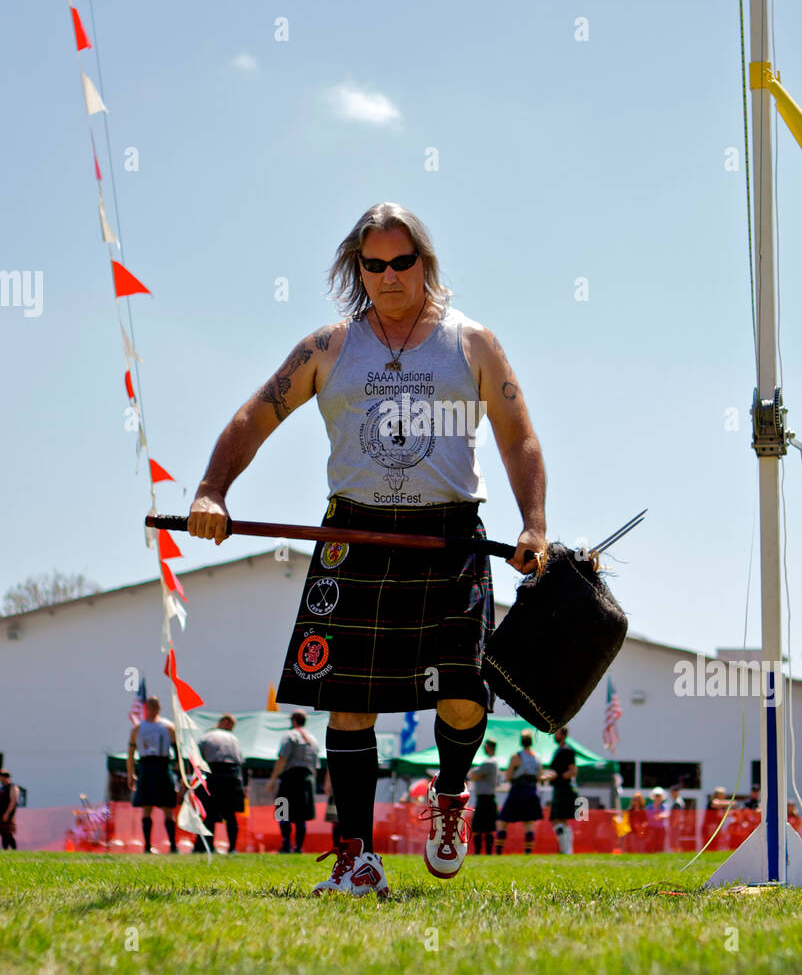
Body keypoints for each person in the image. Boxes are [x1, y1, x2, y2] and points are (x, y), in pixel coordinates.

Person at [187, 204, 546, 897]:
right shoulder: (328, 346)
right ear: (359, 268)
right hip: (353, 534)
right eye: (373, 265)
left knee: (466, 693)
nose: (388, 277)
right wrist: (210, 491)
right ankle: (357, 856)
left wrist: (533, 523)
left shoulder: (472, 343)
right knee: (348, 704)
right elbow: (254, 415)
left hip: (450, 537)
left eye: (401, 262)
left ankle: (448, 796)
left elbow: (518, 436)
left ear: (425, 262)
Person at [127, 697, 178, 853]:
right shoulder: (138, 729)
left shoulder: (168, 727)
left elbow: (177, 752)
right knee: (146, 807)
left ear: (160, 707)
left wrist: (180, 775)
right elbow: (130, 754)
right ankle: (147, 846)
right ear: (146, 707)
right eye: (150, 706)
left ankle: (173, 846)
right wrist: (131, 774)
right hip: (146, 767)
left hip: (163, 766)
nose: (153, 708)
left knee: (168, 807)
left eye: (155, 706)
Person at [268, 711, 320, 853]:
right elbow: (316, 766)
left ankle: (286, 844)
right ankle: (298, 847)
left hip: (290, 778)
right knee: (301, 815)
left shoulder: (289, 735)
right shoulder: (313, 739)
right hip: (307, 780)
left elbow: (282, 759)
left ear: (293, 721)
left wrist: (272, 779)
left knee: (283, 811)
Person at [194, 714, 245, 853]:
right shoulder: (234, 738)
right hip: (233, 776)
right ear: (225, 722)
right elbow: (240, 760)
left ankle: (207, 847)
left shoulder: (206, 737)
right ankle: (232, 848)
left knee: (209, 813)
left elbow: (196, 759)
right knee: (230, 814)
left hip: (213, 775)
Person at [495, 730, 544, 855]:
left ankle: (499, 851)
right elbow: (540, 777)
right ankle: (528, 851)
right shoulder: (537, 757)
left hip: (517, 790)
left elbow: (508, 776)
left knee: (502, 821)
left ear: (521, 741)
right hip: (532, 791)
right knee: (529, 823)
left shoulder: (516, 756)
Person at [543, 727, 578, 854]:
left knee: (557, 819)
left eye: (556, 732)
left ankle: (566, 850)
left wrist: (559, 777)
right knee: (561, 820)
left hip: (564, 788)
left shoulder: (567, 750)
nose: (554, 735)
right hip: (559, 788)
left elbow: (573, 771)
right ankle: (567, 850)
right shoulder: (559, 750)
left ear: (562, 734)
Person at [468, 738, 499, 855]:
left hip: (485, 799)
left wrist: (475, 774)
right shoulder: (493, 762)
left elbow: (473, 774)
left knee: (481, 828)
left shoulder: (489, 762)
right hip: (487, 798)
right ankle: (486, 852)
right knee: (485, 828)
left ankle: (481, 852)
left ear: (489, 747)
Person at [0, 770, 19, 850]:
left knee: (8, 834)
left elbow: (13, 801)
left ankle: (14, 849)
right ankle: (5, 850)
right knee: (3, 834)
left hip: (8, 815)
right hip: (1, 813)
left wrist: (7, 813)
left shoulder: (12, 787)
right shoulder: (2, 788)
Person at [646, 786, 668, 852]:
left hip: (661, 829)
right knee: (651, 843)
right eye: (656, 796)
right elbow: (648, 817)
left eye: (659, 796)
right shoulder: (649, 807)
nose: (658, 798)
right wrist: (659, 816)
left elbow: (667, 814)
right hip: (651, 828)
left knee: (660, 844)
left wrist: (659, 816)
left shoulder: (664, 806)